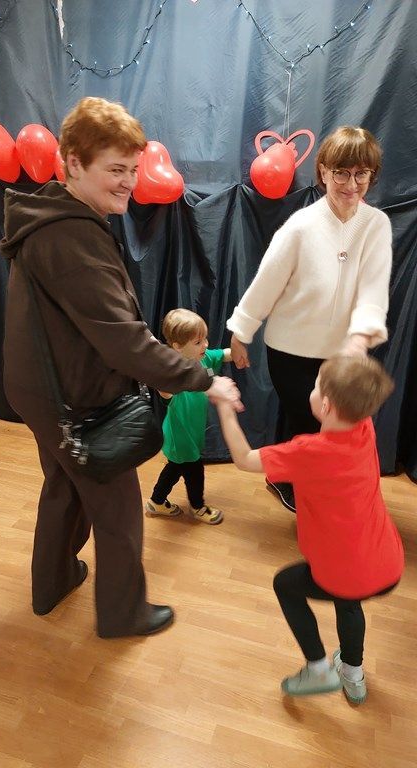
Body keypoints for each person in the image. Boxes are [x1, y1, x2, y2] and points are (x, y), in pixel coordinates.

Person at [0, 96, 242, 639]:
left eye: (133, 169)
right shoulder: (71, 236)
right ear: (73, 163)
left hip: (41, 390)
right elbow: (123, 341)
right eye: (115, 170)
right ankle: (123, 614)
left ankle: (52, 582)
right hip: (70, 397)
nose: (129, 182)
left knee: (64, 486)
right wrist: (203, 379)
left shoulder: (57, 216)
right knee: (118, 509)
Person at [216, 355, 404, 703]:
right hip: (385, 562)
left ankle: (318, 669)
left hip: (345, 570)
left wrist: (224, 406)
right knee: (349, 602)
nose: (311, 389)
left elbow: (243, 459)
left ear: (326, 405)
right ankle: (353, 674)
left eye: (316, 386)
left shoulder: (308, 452)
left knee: (286, 585)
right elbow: (357, 381)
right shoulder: (364, 426)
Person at [227, 126, 393, 513]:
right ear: (323, 172)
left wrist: (357, 342)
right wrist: (241, 331)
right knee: (306, 420)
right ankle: (292, 485)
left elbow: (373, 291)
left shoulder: (376, 225)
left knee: (333, 429)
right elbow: (266, 282)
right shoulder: (301, 226)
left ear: (371, 176)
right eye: (341, 172)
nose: (351, 184)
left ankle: (311, 490)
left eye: (361, 173)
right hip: (291, 351)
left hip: (343, 354)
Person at [146, 308, 232, 525]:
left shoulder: (204, 359)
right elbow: (164, 390)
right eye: (198, 342)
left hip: (191, 434)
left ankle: (156, 501)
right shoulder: (172, 375)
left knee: (174, 469)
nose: (205, 345)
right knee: (194, 472)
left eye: (205, 339)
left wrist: (239, 349)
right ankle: (197, 507)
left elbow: (224, 354)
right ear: (177, 346)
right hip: (180, 437)